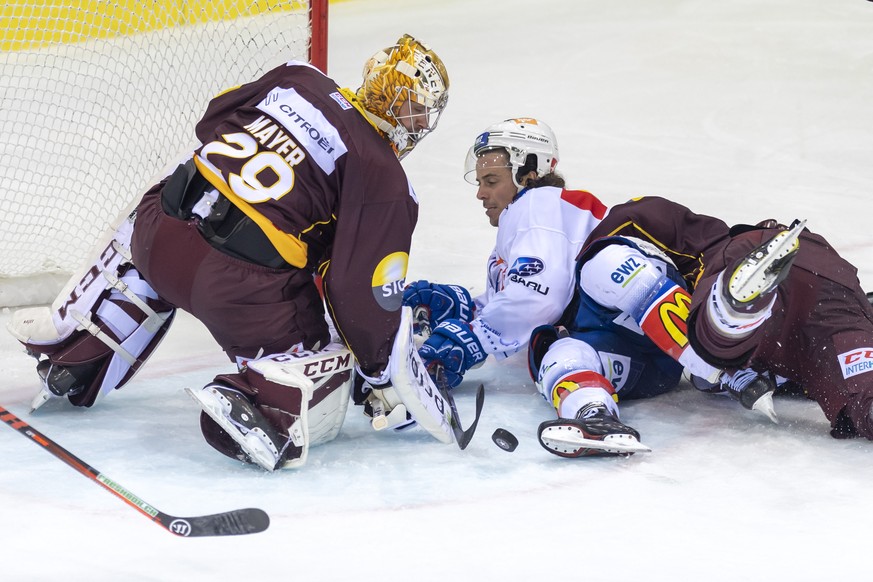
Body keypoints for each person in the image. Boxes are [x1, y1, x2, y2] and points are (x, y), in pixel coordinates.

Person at [7, 34, 451, 471]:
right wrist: (377, 373)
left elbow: (212, 121)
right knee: (333, 360)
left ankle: (80, 353)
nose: (414, 124)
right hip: (236, 289)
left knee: (180, 190)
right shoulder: (386, 176)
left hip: (155, 232)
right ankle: (265, 404)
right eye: (416, 113)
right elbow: (360, 292)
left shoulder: (301, 78)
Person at [532, 195, 873, 455]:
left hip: (747, 268)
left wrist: (730, 375)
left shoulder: (608, 246)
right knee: (860, 402)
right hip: (812, 305)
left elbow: (671, 263)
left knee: (702, 340)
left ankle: (734, 311)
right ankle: (594, 416)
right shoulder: (582, 335)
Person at [402, 117, 608, 387]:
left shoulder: (538, 205)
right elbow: (516, 297)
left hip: (616, 339)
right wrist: (464, 308)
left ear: (528, 175)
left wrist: (475, 337)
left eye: (491, 180)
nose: (480, 193)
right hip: (613, 337)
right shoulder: (534, 218)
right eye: (479, 182)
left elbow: (537, 297)